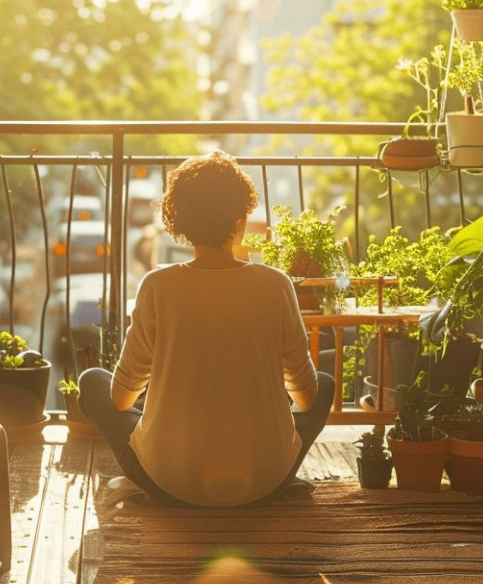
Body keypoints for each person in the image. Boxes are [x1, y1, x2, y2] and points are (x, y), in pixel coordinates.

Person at [79, 151, 335, 507]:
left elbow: (121, 399)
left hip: (170, 481)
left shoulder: (157, 286)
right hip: (264, 480)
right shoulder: (275, 284)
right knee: (324, 384)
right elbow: (306, 399)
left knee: (92, 380)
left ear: (179, 224)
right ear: (241, 220)